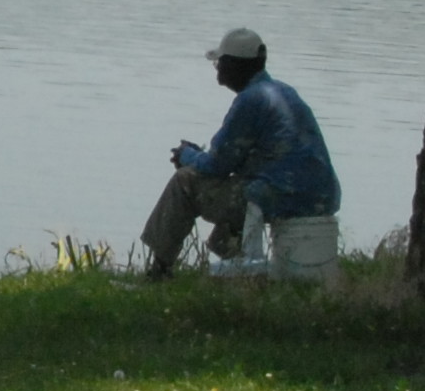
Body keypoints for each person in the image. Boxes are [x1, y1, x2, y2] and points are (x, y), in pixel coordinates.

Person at [142, 28, 342, 278]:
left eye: (220, 62)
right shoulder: (284, 92)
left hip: (280, 196)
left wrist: (186, 156)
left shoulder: (250, 101)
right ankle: (249, 274)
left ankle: (159, 271)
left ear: (235, 65)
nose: (217, 68)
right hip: (321, 196)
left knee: (185, 182)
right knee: (228, 221)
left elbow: (218, 164)